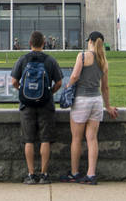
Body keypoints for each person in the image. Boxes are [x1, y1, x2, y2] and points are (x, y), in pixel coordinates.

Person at [58, 30, 117, 184]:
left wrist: (67, 86)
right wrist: (108, 106)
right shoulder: (103, 60)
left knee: (76, 139)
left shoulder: (83, 56)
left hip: (81, 101)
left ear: (90, 41)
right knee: (92, 139)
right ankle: (91, 174)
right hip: (96, 101)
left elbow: (75, 75)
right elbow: (105, 87)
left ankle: (75, 172)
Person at [8, 30, 65, 184]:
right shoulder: (50, 60)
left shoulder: (23, 59)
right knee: (45, 140)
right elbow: (59, 82)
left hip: (26, 105)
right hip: (46, 104)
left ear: (30, 44)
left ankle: (31, 174)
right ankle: (44, 175)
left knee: (29, 140)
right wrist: (49, 92)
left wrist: (23, 91)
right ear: (44, 43)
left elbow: (13, 81)